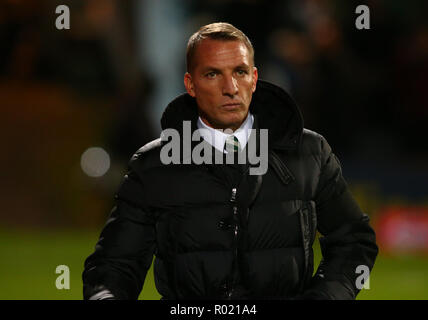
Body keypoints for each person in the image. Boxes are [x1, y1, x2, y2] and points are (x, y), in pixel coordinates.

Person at [82, 22, 378, 300]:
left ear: (255, 78)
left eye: (240, 72)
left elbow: (354, 241)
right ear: (191, 84)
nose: (230, 87)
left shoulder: (309, 153)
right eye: (213, 74)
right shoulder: (154, 166)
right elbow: (113, 267)